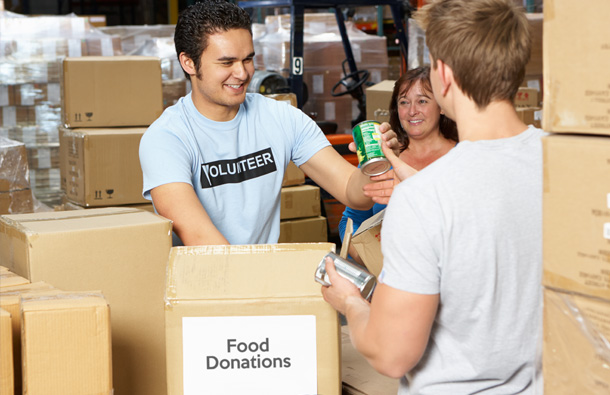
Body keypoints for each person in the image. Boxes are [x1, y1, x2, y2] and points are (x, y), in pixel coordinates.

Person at [321, 0, 547, 393]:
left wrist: (351, 302)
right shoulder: (565, 161)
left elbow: (391, 354)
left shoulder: (425, 199)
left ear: (442, 74)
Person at [138, 0, 399, 246]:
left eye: (248, 59)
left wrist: (374, 166)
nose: (242, 73)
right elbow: (199, 238)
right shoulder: (166, 138)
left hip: (260, 274)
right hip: (202, 283)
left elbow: (352, 193)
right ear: (188, 63)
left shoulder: (281, 118)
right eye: (227, 62)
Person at [338, 66, 457, 263]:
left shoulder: (462, 156)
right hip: (390, 277)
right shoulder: (381, 158)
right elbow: (350, 220)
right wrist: (367, 257)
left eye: (422, 101)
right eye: (404, 102)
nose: (412, 111)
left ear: (442, 106)